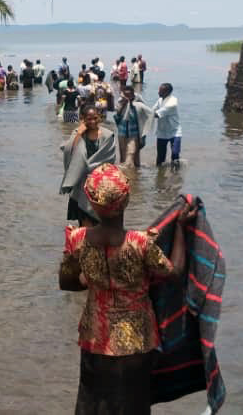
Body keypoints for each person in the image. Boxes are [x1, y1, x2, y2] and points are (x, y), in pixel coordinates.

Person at [59, 164, 195, 415]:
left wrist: (92, 279)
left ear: (91, 203)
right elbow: (174, 273)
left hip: (94, 335)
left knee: (91, 403)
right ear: (127, 200)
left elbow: (66, 283)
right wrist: (179, 229)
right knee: (134, 405)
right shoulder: (140, 243)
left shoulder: (78, 239)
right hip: (136, 339)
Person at [60, 106, 117, 226]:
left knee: (100, 223)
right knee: (85, 224)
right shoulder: (78, 133)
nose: (92, 121)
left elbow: (109, 159)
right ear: (82, 119)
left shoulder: (107, 136)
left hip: (99, 183)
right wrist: (79, 133)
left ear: (100, 117)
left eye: (95, 118)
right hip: (81, 183)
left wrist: (89, 171)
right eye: (89, 119)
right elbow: (71, 153)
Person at [113, 86, 153, 168]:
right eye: (125, 95)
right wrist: (123, 105)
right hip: (122, 132)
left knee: (132, 153)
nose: (127, 97)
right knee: (123, 155)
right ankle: (127, 174)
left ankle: (134, 173)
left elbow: (151, 114)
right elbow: (117, 118)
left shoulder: (138, 105)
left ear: (133, 95)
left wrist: (144, 132)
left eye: (129, 95)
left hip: (134, 134)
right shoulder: (120, 103)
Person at [152, 83, 182, 166]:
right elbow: (152, 110)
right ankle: (159, 176)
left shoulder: (172, 103)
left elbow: (156, 115)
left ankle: (176, 176)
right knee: (160, 158)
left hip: (174, 132)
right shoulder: (160, 100)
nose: (158, 93)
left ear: (167, 92)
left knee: (175, 155)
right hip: (162, 132)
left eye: (160, 91)